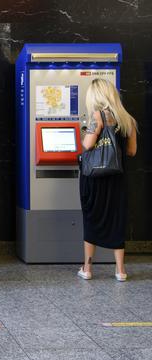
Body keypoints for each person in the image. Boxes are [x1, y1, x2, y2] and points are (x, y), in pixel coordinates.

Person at [77, 78, 137, 282]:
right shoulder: (127, 119)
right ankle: (120, 271)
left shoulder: (97, 116)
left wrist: (88, 130)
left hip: (95, 179)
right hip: (117, 179)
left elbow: (87, 145)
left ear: (95, 96)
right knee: (116, 220)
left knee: (92, 219)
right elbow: (131, 151)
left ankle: (87, 268)